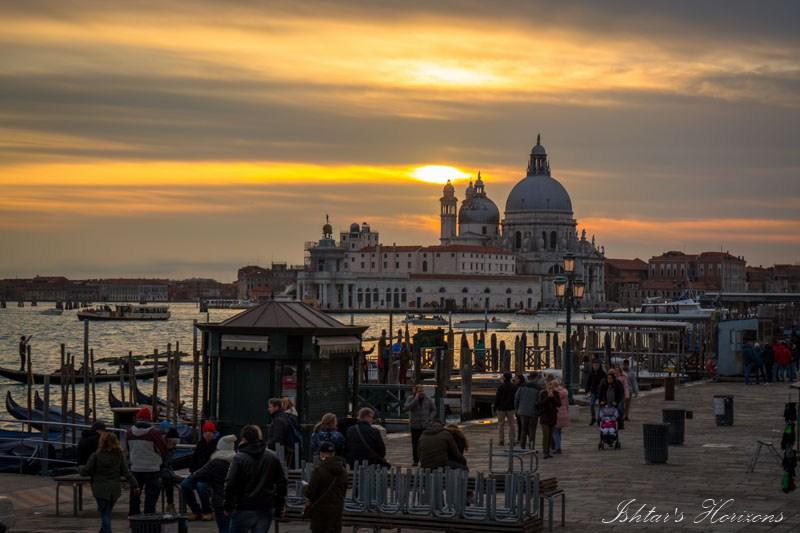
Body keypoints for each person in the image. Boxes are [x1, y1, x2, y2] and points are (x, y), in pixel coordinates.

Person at [224, 424, 287, 533]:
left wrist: (228, 506)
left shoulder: (239, 458)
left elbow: (230, 484)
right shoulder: (272, 457)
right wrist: (280, 505)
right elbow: (281, 482)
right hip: (265, 506)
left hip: (244, 507)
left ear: (244, 439)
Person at [80, 432, 138, 533]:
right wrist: (135, 484)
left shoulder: (96, 455)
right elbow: (126, 472)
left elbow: (85, 472)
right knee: (107, 512)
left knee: (105, 514)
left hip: (100, 489)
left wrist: (80, 468)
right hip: (114, 489)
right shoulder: (119, 456)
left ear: (102, 442)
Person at [125, 406, 166, 516]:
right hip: (152, 468)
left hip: (135, 468)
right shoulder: (154, 433)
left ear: (137, 418)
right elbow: (163, 449)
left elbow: (128, 449)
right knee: (151, 495)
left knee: (135, 495)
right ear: (149, 419)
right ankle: (149, 516)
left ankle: (134, 516)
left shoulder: (129, 432)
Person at [193, 434, 237, 533]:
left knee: (223, 528)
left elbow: (197, 474)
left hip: (219, 501)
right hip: (235, 501)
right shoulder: (237, 461)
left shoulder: (214, 462)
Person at [305, 441, 348, 533]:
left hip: (320, 512)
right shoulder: (343, 471)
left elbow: (310, 493)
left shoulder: (319, 470)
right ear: (334, 453)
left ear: (321, 454)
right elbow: (344, 489)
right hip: (336, 511)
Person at [182, 420, 218, 521]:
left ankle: (207, 511)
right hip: (197, 474)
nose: (208, 434)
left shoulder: (216, 447)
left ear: (213, 434)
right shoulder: (200, 445)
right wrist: (192, 471)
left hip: (209, 477)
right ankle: (196, 511)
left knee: (201, 486)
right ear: (203, 433)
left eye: (210, 432)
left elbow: (214, 466)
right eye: (206, 431)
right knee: (184, 485)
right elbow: (193, 460)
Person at [404, 384, 436, 466]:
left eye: (422, 391)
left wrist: (430, 418)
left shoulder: (428, 399)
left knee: (425, 444)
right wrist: (415, 399)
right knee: (415, 444)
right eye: (419, 391)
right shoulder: (410, 398)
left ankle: (425, 460)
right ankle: (415, 460)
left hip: (425, 425)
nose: (421, 392)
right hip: (415, 425)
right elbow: (406, 408)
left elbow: (434, 410)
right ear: (415, 391)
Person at [515, 371, 543, 449]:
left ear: (529, 378)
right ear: (536, 378)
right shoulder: (538, 388)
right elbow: (540, 401)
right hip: (533, 412)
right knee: (532, 430)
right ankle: (531, 447)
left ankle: (522, 447)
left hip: (522, 411)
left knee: (524, 429)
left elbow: (516, 398)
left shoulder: (522, 387)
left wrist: (517, 409)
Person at [267, 398, 296, 464]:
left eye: (270, 407)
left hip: (280, 452)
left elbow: (277, 438)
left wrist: (268, 446)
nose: (268, 409)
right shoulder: (284, 416)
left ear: (276, 407)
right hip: (285, 450)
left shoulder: (278, 420)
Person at [538, 380, 561, 459]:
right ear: (546, 386)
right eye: (549, 385)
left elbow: (559, 404)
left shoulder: (556, 393)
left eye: (551, 385)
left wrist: (553, 397)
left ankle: (548, 451)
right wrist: (548, 397)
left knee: (550, 436)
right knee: (546, 435)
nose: (550, 387)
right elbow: (540, 404)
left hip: (552, 416)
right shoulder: (542, 393)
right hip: (544, 417)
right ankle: (545, 451)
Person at [160, 427, 181, 514]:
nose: (175, 446)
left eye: (176, 444)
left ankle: (172, 504)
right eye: (173, 443)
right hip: (158, 470)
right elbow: (162, 465)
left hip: (166, 470)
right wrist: (171, 474)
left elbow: (169, 464)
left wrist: (172, 473)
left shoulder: (171, 448)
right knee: (168, 479)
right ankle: (170, 504)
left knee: (180, 481)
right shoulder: (160, 446)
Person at [494, 372, 517, 446]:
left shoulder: (501, 386)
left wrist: (495, 406)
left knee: (501, 424)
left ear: (504, 378)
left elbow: (497, 397)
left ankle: (501, 440)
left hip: (501, 408)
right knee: (512, 424)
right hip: (511, 408)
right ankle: (512, 440)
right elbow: (515, 397)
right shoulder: (514, 387)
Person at [584, 359, 606, 425]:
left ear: (599, 366)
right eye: (594, 365)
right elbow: (588, 382)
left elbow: (605, 383)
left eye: (597, 365)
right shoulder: (591, 373)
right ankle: (593, 417)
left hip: (601, 392)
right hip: (593, 391)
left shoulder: (603, 373)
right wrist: (587, 390)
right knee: (591, 404)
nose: (595, 366)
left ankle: (599, 418)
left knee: (601, 406)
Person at [552, 379, 569, 454]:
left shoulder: (554, 393)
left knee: (555, 432)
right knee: (558, 431)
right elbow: (567, 404)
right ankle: (558, 446)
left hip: (556, 413)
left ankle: (557, 448)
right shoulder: (564, 392)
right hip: (563, 413)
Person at [513, 374, 525, 443]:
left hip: (519, 408)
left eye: (516, 378)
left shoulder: (517, 387)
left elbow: (516, 399)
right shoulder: (524, 386)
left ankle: (520, 439)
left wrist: (515, 408)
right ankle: (522, 438)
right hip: (524, 407)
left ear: (519, 380)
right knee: (522, 424)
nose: (514, 380)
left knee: (520, 424)